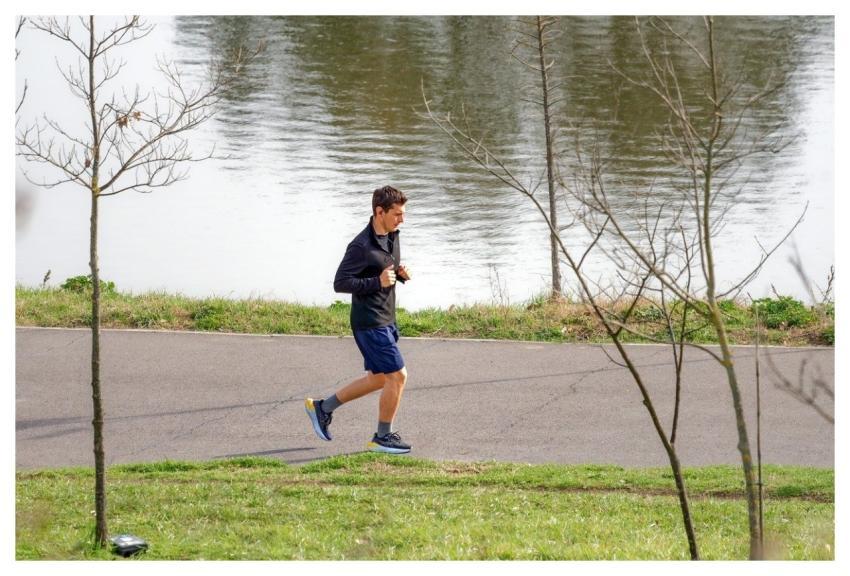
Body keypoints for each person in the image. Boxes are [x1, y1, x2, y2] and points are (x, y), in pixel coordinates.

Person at [305, 185, 413, 454]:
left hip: (387, 318)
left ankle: (322, 408)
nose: (402, 219)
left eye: (403, 214)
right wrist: (377, 281)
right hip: (370, 322)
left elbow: (382, 271)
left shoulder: (392, 236)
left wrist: (398, 275)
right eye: (397, 214)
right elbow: (341, 283)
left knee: (379, 379)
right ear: (379, 212)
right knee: (398, 376)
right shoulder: (360, 246)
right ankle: (382, 437)